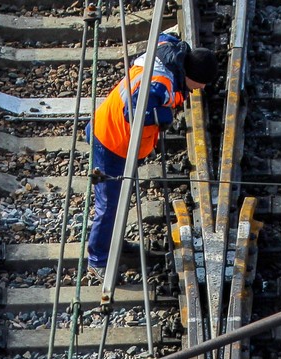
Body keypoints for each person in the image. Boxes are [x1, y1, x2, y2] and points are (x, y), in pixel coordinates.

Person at [86, 34, 216, 275]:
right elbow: (133, 113)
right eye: (201, 84)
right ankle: (98, 260)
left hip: (114, 134)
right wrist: (161, 116)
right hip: (111, 143)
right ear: (190, 77)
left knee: (121, 197)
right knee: (110, 204)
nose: (203, 89)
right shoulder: (160, 83)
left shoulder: (170, 55)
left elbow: (163, 36)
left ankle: (112, 243)